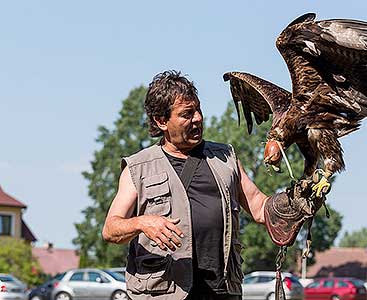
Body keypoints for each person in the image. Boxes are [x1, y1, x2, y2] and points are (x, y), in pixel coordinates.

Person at [102, 70, 269, 300]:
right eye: (187, 114)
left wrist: (296, 201)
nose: (198, 118)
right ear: (161, 121)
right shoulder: (139, 167)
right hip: (164, 292)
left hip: (221, 291)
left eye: (198, 109)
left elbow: (260, 207)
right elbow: (111, 229)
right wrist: (143, 223)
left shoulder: (225, 158)